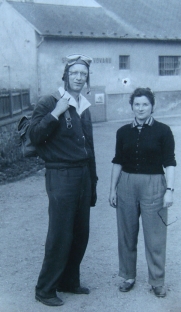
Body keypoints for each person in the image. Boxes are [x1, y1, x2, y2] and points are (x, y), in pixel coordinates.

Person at [29, 54, 98, 306]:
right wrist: (56, 113)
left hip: (82, 175)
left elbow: (89, 147)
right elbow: (35, 135)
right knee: (60, 233)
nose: (79, 78)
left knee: (81, 232)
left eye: (83, 74)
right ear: (66, 76)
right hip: (61, 174)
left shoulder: (84, 105)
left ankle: (69, 280)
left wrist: (93, 182)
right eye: (74, 73)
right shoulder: (50, 100)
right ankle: (45, 288)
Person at [109, 87, 176, 298]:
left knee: (155, 235)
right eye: (136, 104)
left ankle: (157, 280)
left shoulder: (163, 131)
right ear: (131, 107)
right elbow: (117, 162)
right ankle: (128, 275)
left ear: (152, 106)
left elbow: (170, 163)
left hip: (154, 185)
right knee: (126, 233)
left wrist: (169, 190)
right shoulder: (122, 132)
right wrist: (113, 189)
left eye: (145, 104)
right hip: (126, 185)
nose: (140, 108)